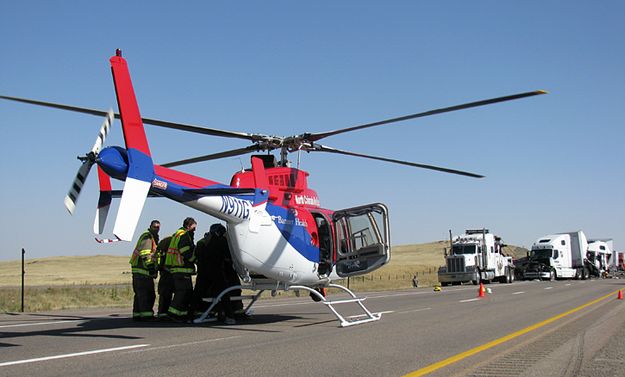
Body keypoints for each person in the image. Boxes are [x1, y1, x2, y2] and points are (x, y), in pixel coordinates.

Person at [191, 223, 237, 324]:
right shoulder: (222, 241)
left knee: (197, 293)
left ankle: (190, 314)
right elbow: (229, 256)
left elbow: (197, 256)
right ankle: (229, 316)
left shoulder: (203, 242)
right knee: (224, 293)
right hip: (216, 271)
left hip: (203, 271)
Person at [164, 217, 197, 322]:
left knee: (185, 293)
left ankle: (181, 314)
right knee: (182, 293)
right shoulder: (183, 235)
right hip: (181, 269)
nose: (195, 230)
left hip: (178, 269)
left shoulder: (177, 234)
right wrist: (195, 260)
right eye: (194, 227)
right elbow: (185, 252)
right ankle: (173, 314)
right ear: (188, 226)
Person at [130, 220, 160, 321]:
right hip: (143, 272)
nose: (156, 229)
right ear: (150, 227)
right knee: (148, 294)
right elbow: (146, 254)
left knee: (140, 294)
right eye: (155, 227)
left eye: (158, 227)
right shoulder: (148, 237)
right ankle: (147, 315)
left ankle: (137, 314)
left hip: (139, 272)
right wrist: (151, 268)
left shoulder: (150, 237)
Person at [156, 234, 173, 319]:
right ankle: (164, 313)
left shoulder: (162, 247)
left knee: (164, 294)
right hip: (168, 273)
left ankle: (162, 312)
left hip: (164, 272)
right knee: (166, 293)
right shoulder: (170, 245)